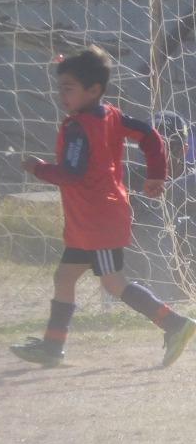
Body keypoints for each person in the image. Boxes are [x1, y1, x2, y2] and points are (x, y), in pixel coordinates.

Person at [11, 46, 196, 368]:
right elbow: (149, 136)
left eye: (68, 88)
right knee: (65, 277)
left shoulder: (79, 127)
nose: (61, 95)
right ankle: (53, 347)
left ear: (93, 89)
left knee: (114, 283)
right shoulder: (110, 115)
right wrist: (155, 175)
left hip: (99, 221)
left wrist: (38, 168)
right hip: (92, 220)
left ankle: (175, 324)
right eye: (60, 88)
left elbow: (71, 173)